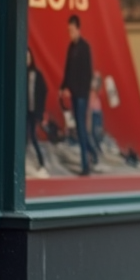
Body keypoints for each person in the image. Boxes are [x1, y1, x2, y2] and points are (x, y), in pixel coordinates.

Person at [60, 15, 97, 176]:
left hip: (81, 94)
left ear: (78, 29)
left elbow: (87, 74)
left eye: (72, 30)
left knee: (81, 128)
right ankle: (93, 153)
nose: (70, 33)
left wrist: (77, 90)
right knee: (79, 128)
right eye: (69, 31)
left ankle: (85, 164)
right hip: (74, 93)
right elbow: (68, 70)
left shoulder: (85, 47)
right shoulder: (71, 47)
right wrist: (63, 87)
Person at [25, 48, 49, 177]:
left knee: (33, 137)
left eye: (28, 58)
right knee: (24, 138)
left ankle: (41, 162)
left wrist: (40, 110)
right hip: (25, 111)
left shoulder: (36, 74)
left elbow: (43, 90)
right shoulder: (21, 74)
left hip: (34, 111)